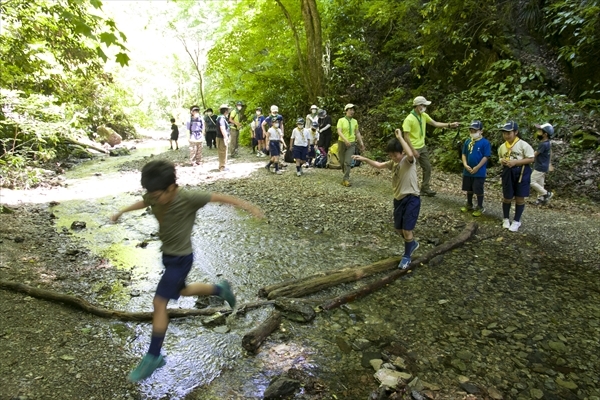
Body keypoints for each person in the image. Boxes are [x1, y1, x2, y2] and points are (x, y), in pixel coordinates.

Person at [110, 160, 264, 382]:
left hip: (182, 259)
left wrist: (249, 207)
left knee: (159, 303)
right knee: (181, 291)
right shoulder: (154, 195)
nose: (154, 199)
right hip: (168, 257)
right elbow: (143, 202)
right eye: (150, 195)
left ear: (172, 187)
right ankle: (219, 289)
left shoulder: (189, 198)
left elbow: (219, 197)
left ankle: (153, 356)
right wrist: (121, 211)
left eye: (157, 195)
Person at [352, 130, 420, 270]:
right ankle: (411, 244)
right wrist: (364, 159)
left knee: (407, 230)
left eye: (395, 155)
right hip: (399, 199)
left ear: (401, 152)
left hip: (411, 198)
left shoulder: (408, 161)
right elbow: (378, 165)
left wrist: (400, 138)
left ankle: (406, 257)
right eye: (390, 155)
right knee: (398, 228)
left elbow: (411, 154)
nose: (393, 157)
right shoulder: (393, 163)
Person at [402, 96, 460, 196]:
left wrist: (450, 125)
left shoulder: (423, 115)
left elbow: (435, 124)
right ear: (417, 106)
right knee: (410, 169)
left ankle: (425, 187)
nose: (425, 107)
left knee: (427, 167)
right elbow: (406, 137)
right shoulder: (409, 119)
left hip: (422, 146)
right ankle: (407, 188)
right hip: (412, 147)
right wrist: (412, 150)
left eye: (425, 105)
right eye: (423, 105)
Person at [498, 121, 535, 232]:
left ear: (516, 132)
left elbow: (531, 158)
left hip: (521, 172)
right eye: (504, 133)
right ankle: (505, 218)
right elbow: (500, 157)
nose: (506, 135)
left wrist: (515, 163)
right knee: (507, 196)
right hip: (508, 171)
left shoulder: (523, 145)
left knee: (520, 197)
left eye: (509, 133)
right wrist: (503, 161)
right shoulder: (502, 146)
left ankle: (516, 220)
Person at [460, 120, 491, 217]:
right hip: (468, 170)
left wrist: (477, 167)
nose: (473, 133)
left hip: (479, 171)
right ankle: (469, 204)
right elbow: (464, 154)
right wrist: (465, 164)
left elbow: (486, 156)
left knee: (478, 189)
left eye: (475, 131)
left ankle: (480, 206)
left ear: (481, 131)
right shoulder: (468, 141)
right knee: (469, 188)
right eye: (471, 131)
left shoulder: (485, 143)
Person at [336, 103, 365, 187]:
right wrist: (345, 140)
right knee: (342, 161)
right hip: (342, 142)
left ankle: (346, 179)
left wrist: (361, 143)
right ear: (346, 111)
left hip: (351, 143)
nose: (352, 111)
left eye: (353, 110)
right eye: (350, 110)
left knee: (348, 162)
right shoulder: (341, 120)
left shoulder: (355, 121)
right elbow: (339, 131)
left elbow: (357, 132)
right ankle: (345, 174)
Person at [531, 123, 554, 205]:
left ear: (545, 134)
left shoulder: (543, 144)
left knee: (531, 181)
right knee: (540, 183)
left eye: (540, 131)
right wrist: (549, 163)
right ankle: (541, 199)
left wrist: (527, 157)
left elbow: (535, 154)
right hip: (543, 165)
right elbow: (550, 153)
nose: (538, 133)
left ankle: (547, 193)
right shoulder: (548, 143)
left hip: (540, 166)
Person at [216, 104, 230, 171]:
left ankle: (223, 165)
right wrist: (226, 137)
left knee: (224, 151)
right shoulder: (221, 118)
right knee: (222, 152)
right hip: (221, 138)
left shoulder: (221, 117)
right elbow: (222, 128)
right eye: (227, 110)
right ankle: (222, 167)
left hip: (221, 137)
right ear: (225, 111)